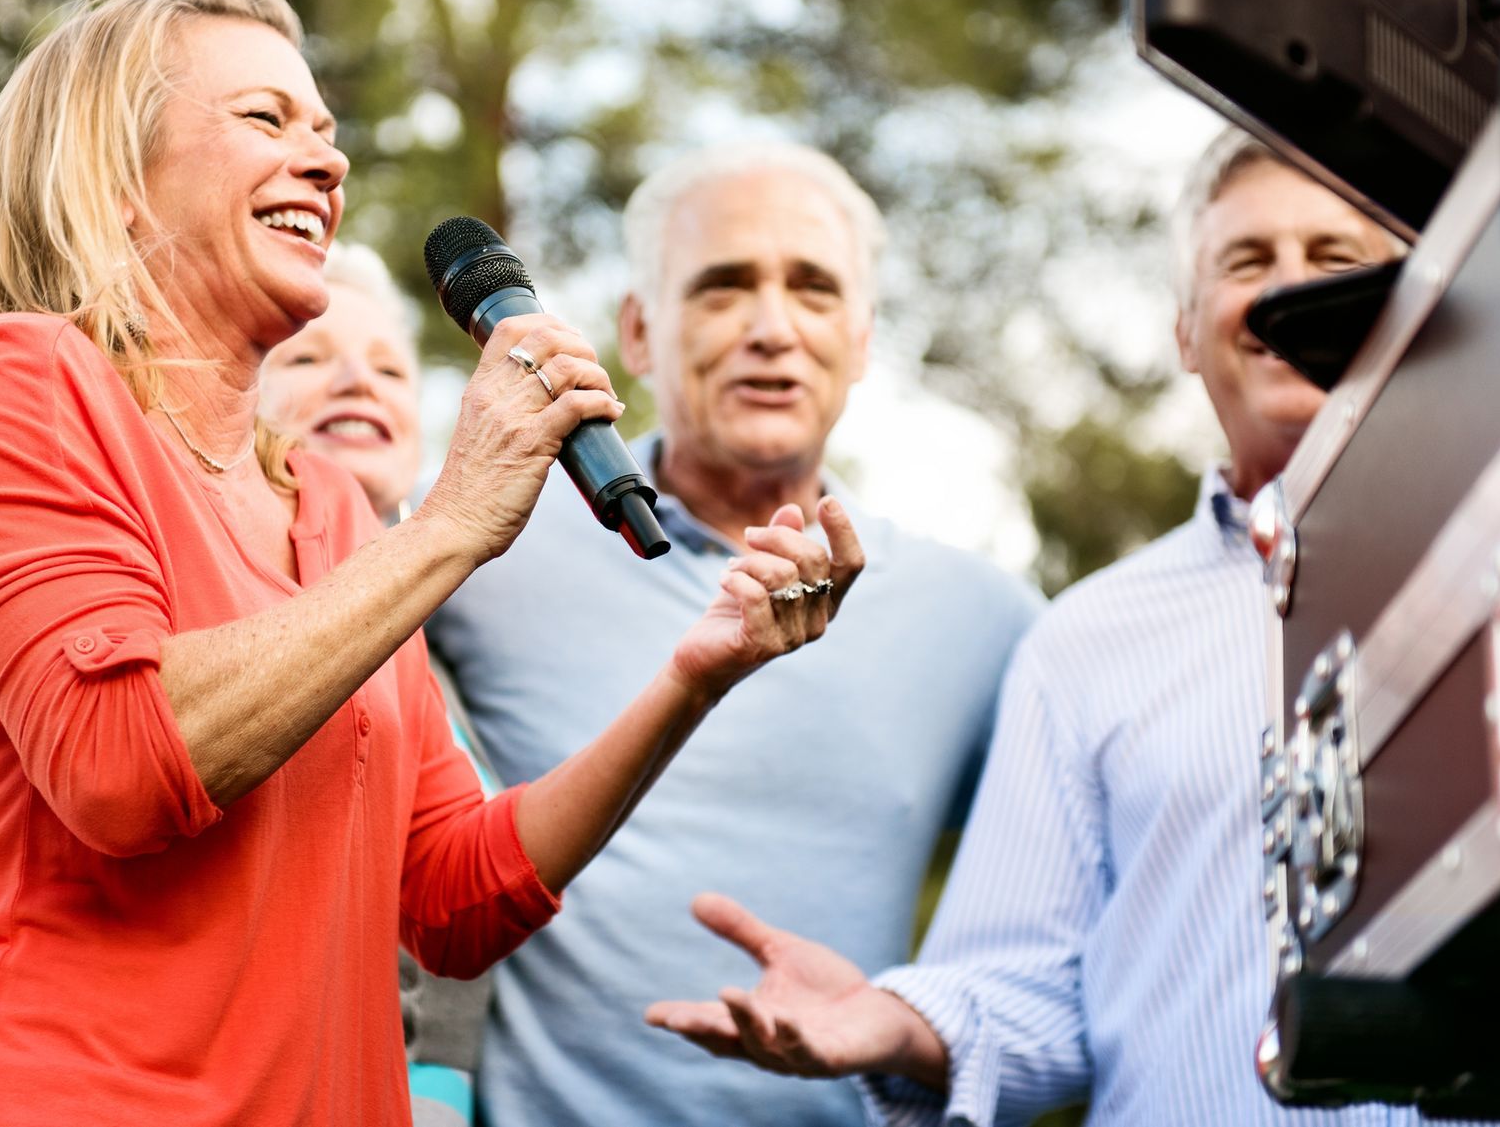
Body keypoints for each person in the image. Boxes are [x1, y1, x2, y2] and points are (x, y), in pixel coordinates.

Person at [0, 0, 865, 1127]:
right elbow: (122, 763)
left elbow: (452, 896)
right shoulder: (21, 384)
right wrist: (450, 523)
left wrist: (697, 673)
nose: (328, 162)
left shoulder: (331, 510)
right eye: (264, 118)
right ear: (114, 177)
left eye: (329, 131)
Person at [644, 128, 1456, 1125]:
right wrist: (896, 1023)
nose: (1286, 291)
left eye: (1333, 261)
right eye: (1248, 262)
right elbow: (1038, 987)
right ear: (1186, 333)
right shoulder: (1084, 643)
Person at [427, 142, 1041, 1126]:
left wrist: (912, 1028)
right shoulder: (476, 552)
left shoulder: (986, 620)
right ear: (638, 329)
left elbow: (1055, 947)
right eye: (721, 288)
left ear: (862, 335)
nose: (771, 329)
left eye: (812, 289)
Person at [257, 242, 499, 1127]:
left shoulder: (447, 646)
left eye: (391, 368)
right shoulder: (223, 621)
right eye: (307, 355)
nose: (357, 380)